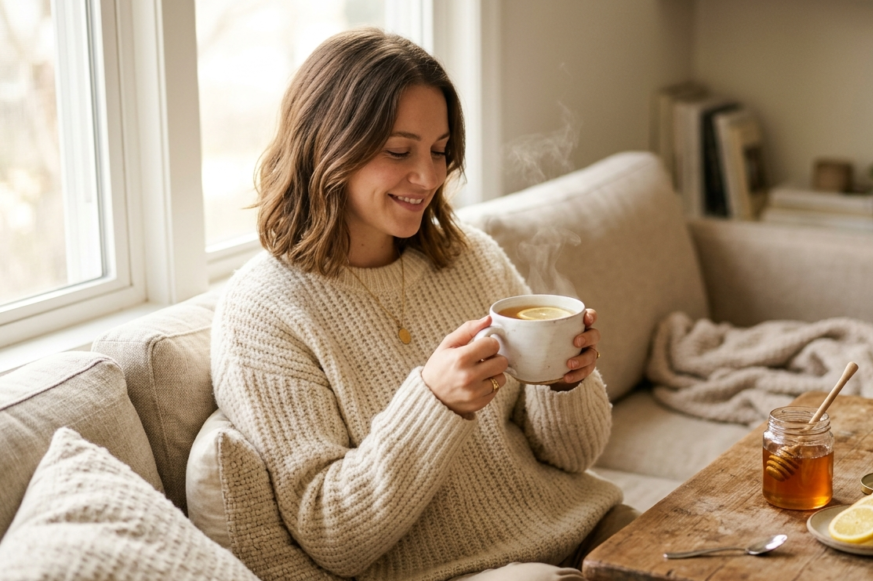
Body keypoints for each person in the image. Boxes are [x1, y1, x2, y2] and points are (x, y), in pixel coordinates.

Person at [211, 28, 636, 581]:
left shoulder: (470, 257)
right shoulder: (263, 312)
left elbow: (572, 457)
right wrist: (436, 403)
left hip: (586, 527)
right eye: (398, 151)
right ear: (326, 145)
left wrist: (565, 382)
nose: (429, 177)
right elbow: (332, 532)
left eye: (439, 152)